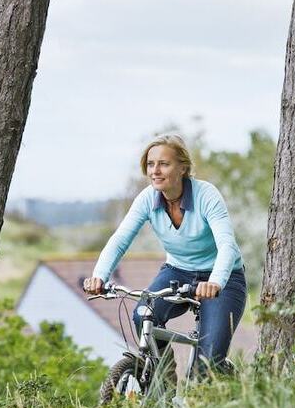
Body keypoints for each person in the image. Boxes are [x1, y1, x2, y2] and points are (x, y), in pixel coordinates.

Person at [83, 134, 246, 369]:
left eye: (164, 164)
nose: (155, 171)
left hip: (223, 279)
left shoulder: (206, 195)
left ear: (183, 168)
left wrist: (215, 282)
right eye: (151, 164)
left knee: (207, 364)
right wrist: (100, 276)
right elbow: (120, 240)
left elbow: (227, 245)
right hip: (178, 271)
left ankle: (208, 380)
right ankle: (163, 373)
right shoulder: (147, 199)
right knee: (143, 314)